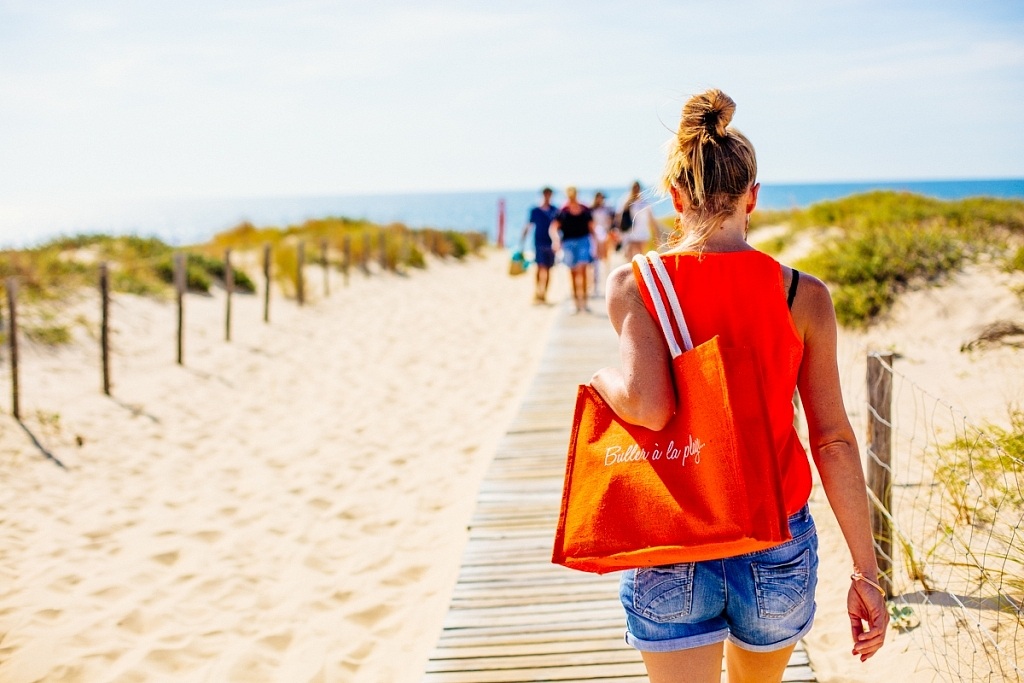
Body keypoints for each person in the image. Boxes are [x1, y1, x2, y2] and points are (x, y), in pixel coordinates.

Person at [590, 89, 888, 683]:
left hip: (677, 535)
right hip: (775, 536)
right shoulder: (804, 296)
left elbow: (647, 404)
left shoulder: (635, 283)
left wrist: (602, 382)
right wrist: (865, 569)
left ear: (674, 197)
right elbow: (832, 441)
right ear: (753, 196)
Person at [549, 186, 595, 313]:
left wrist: (597, 244)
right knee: (573, 273)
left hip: (583, 241)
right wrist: (556, 241)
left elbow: (592, 228)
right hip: (568, 243)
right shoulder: (562, 211)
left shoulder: (585, 210)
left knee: (584, 270)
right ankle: (576, 303)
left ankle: (585, 302)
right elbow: (554, 228)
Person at [520, 187, 558, 303]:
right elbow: (529, 225)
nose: (547, 196)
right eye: (545, 194)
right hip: (538, 243)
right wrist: (523, 239)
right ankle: (537, 291)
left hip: (550, 244)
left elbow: (558, 226)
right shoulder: (535, 210)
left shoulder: (555, 210)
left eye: (549, 194)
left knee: (548, 269)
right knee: (539, 267)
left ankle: (544, 294)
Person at [616, 180, 659, 261]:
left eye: (637, 188)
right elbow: (619, 217)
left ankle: (639, 273)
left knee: (642, 257)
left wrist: (656, 234)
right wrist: (619, 233)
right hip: (630, 234)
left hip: (643, 233)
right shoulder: (626, 201)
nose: (636, 190)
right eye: (634, 188)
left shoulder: (645, 202)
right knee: (630, 258)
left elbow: (651, 219)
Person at [590, 191, 615, 297]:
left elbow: (610, 223)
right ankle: (595, 287)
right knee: (595, 262)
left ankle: (607, 286)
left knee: (606, 261)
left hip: (604, 236)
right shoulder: (591, 210)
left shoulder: (607, 210)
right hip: (595, 237)